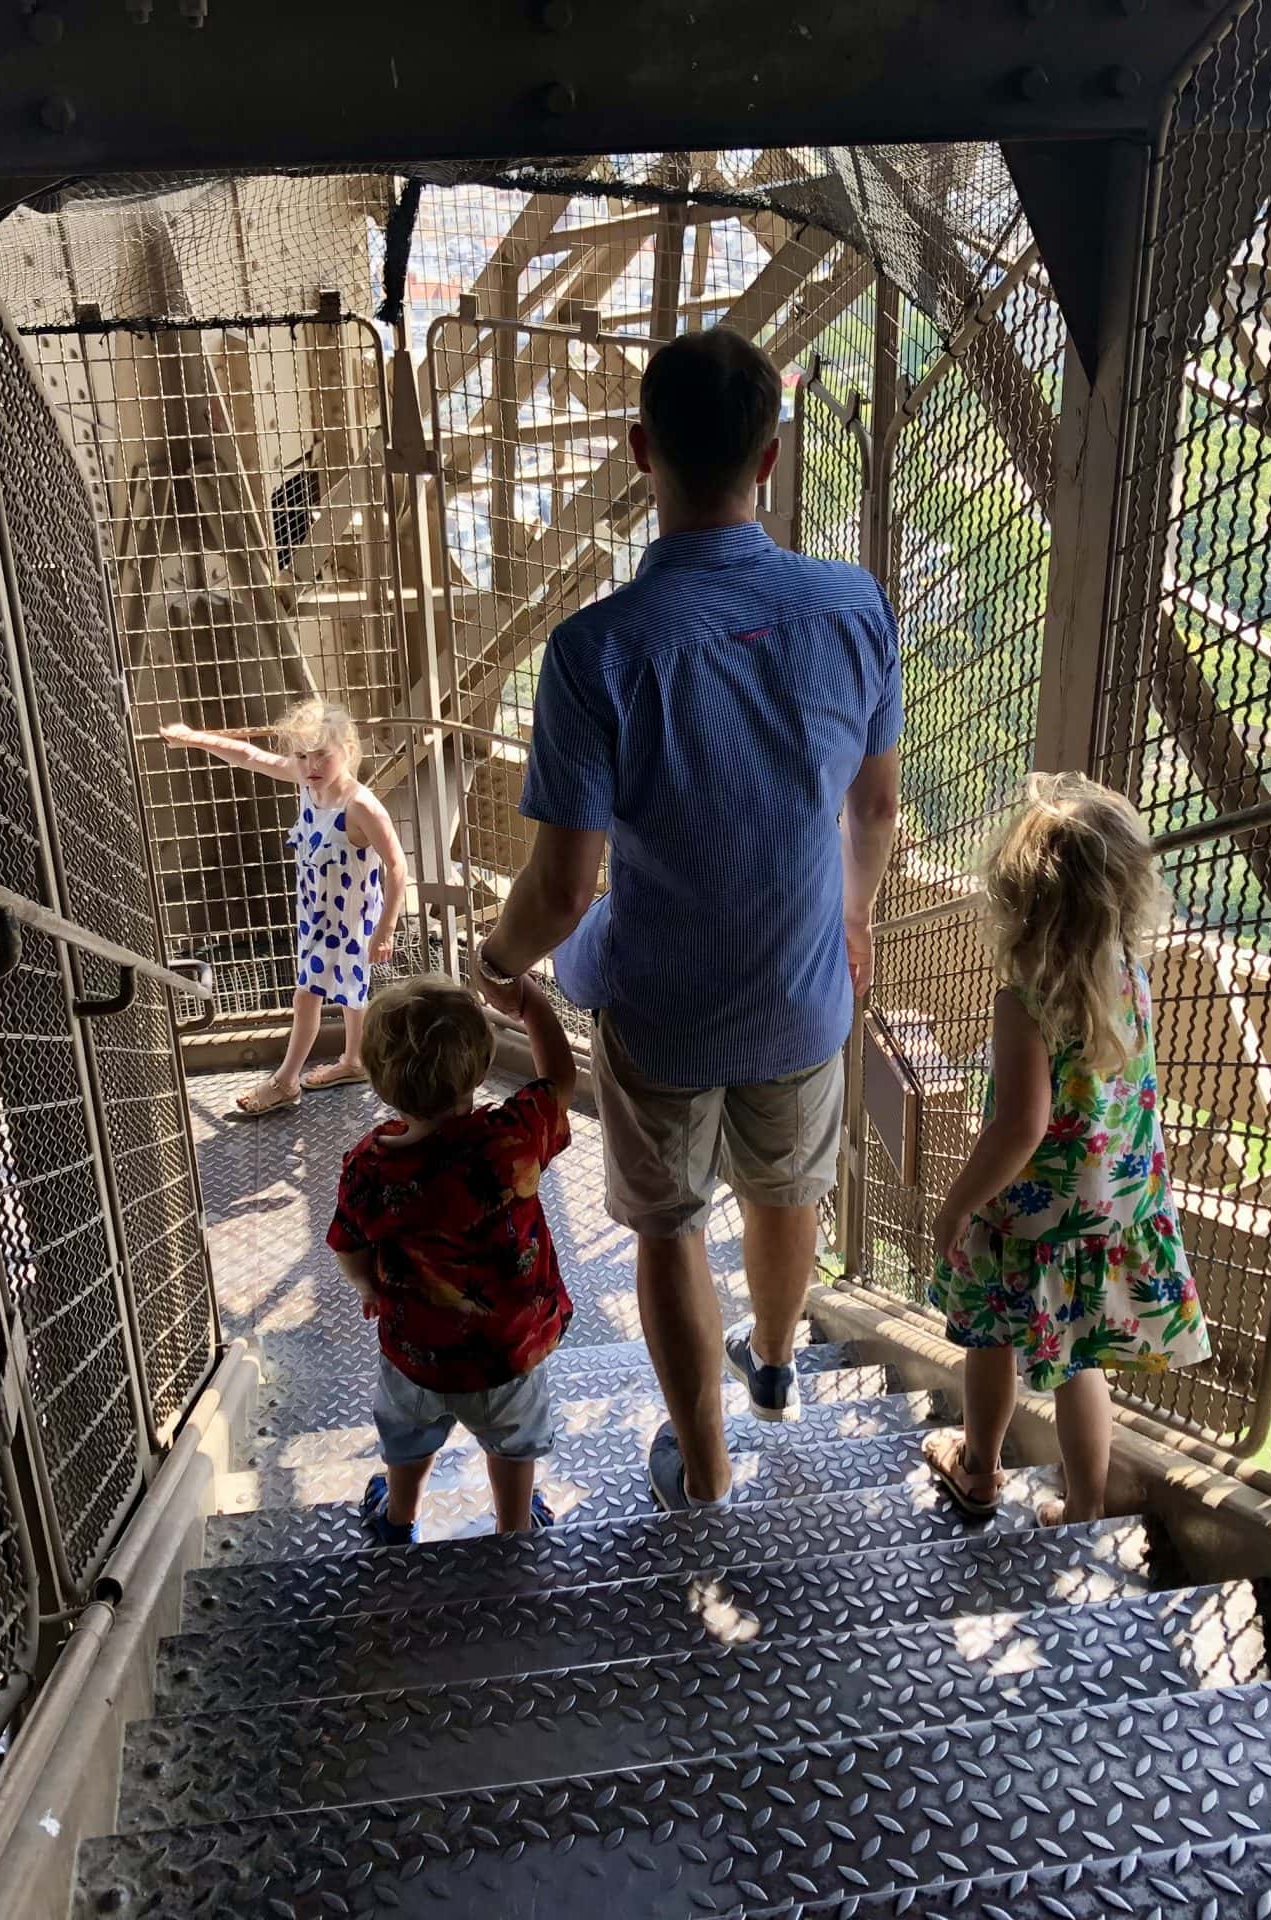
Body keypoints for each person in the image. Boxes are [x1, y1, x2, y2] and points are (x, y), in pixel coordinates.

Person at [471, 327, 902, 1513]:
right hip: (804, 987)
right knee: (787, 1185)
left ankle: (704, 1469)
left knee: (667, 1224)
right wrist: (850, 917)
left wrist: (497, 962)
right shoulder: (853, 605)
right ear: (769, 459)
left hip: (661, 1004)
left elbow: (562, 891)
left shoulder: (595, 653)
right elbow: (873, 806)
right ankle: (773, 1372)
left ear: (637, 452)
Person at [921, 774, 1212, 1528]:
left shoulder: (1025, 997)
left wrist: (959, 1203)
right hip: (1112, 1208)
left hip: (1028, 1217)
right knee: (1082, 1364)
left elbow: (1020, 1125)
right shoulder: (1132, 979)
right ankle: (1084, 1505)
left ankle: (980, 1470)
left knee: (988, 1339)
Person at [325, 973, 578, 1541]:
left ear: (381, 1083)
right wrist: (533, 1005)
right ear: (482, 1070)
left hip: (416, 1350)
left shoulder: (368, 1166)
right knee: (513, 1446)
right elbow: (560, 1080)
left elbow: (347, 1245)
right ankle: (513, 1527)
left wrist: (368, 1289)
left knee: (408, 1438)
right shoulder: (512, 1138)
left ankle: (399, 1517)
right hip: (507, 1350)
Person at [160, 699, 407, 1116]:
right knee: (350, 987)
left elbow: (397, 866)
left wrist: (385, 930)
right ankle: (353, 1061)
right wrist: (193, 739)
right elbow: (249, 755)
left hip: (348, 916)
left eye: (322, 755)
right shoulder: (306, 781)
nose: (311, 765)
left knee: (307, 993)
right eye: (302, 755)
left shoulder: (361, 806)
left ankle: (286, 1080)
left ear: (347, 749)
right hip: (316, 908)